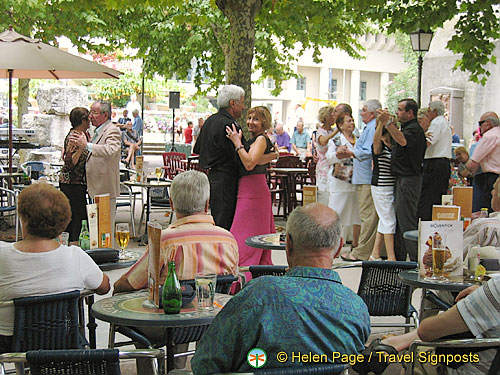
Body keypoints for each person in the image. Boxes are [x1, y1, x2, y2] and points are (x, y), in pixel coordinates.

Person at [191, 203, 370, 374]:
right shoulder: (356, 309)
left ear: (288, 244)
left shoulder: (260, 295)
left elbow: (205, 363)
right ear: (339, 247)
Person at [113, 170, 238, 374]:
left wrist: (117, 288)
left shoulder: (165, 240)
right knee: (193, 305)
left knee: (156, 309)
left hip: (170, 326)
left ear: (171, 204)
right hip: (213, 321)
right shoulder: (228, 239)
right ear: (207, 204)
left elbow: (132, 282)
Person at [0, 183, 110, 353]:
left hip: (7, 343)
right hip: (61, 341)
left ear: (24, 219)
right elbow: (104, 287)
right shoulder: (76, 256)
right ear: (63, 222)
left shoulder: (2, 254)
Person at [225, 106, 278, 271]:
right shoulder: (257, 140)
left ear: (264, 122)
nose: (250, 122)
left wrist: (237, 142)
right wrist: (272, 156)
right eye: (249, 118)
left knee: (243, 237)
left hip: (253, 193)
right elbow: (256, 160)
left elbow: (249, 164)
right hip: (248, 190)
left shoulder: (261, 139)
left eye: (256, 119)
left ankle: (240, 271)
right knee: (250, 236)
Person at [193, 84, 246, 230]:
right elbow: (241, 156)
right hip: (227, 179)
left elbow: (197, 148)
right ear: (232, 103)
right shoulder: (231, 125)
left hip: (213, 177)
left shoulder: (210, 121)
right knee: (225, 223)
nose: (243, 107)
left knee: (218, 218)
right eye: (242, 102)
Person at [69, 100, 121, 243]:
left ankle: (107, 254)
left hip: (105, 187)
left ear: (105, 115)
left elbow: (110, 150)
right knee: (96, 226)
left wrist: (87, 145)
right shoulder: (96, 132)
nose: (90, 116)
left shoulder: (112, 130)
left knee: (105, 227)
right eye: (90, 112)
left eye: (94, 112)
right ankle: (99, 252)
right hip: (95, 187)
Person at [383, 99, 426, 261]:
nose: (397, 113)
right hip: (401, 178)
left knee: (407, 220)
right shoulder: (406, 128)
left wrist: (387, 123)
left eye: (400, 110)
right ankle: (401, 259)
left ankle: (415, 262)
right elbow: (399, 145)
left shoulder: (415, 129)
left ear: (410, 113)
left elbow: (402, 141)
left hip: (410, 179)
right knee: (400, 219)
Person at [344, 99, 382, 261]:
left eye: (364, 110)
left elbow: (368, 151)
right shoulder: (370, 127)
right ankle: (366, 250)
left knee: (368, 216)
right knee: (368, 215)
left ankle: (361, 252)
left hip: (366, 176)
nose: (361, 113)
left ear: (372, 113)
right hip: (363, 176)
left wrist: (351, 153)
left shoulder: (373, 127)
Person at [326, 113, 361, 249]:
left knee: (357, 214)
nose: (351, 123)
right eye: (348, 121)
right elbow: (329, 158)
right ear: (340, 125)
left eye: (352, 120)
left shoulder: (359, 138)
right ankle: (334, 246)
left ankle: (355, 244)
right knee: (336, 213)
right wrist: (338, 154)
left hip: (356, 181)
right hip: (340, 182)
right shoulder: (335, 141)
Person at [59, 107, 91, 243]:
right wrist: (82, 149)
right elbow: (70, 162)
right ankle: (73, 243)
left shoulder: (82, 134)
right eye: (88, 118)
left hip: (77, 182)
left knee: (79, 215)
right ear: (83, 120)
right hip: (72, 183)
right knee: (77, 216)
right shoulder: (75, 137)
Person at [417, 101, 452, 221]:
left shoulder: (436, 123)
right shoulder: (444, 123)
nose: (427, 113)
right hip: (441, 163)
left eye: (429, 111)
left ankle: (425, 223)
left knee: (428, 197)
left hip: (434, 164)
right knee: (436, 196)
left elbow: (427, 143)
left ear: (435, 112)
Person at [369, 110, 396, 261]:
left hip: (388, 186)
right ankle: (391, 258)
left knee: (384, 219)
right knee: (389, 221)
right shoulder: (379, 149)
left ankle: (375, 253)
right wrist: (380, 122)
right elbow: (375, 141)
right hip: (380, 186)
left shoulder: (391, 148)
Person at [464, 112, 500, 213]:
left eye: (480, 123)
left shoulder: (489, 136)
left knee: (482, 211)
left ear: (487, 123)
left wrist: (463, 172)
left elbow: (473, 162)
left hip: (489, 179)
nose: (479, 127)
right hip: (497, 178)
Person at [315, 106, 338, 205]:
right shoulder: (320, 131)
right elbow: (323, 141)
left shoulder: (332, 131)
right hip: (324, 166)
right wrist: (336, 132)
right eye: (332, 116)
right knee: (324, 193)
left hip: (332, 165)